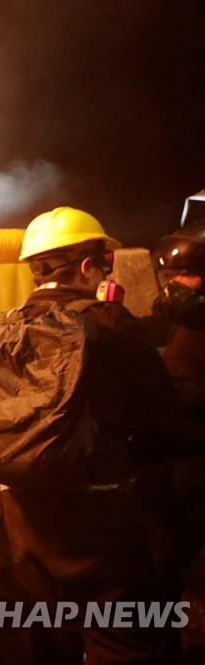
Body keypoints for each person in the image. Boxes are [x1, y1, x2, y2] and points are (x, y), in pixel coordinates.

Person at [0, 206, 181, 663]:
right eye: (103, 263)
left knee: (53, 638)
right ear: (89, 266)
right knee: (119, 641)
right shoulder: (110, 323)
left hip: (24, 520)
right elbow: (161, 417)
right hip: (99, 518)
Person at [152, 217, 205, 565]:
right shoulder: (186, 321)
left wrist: (157, 391)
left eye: (184, 273)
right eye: (170, 275)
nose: (174, 284)